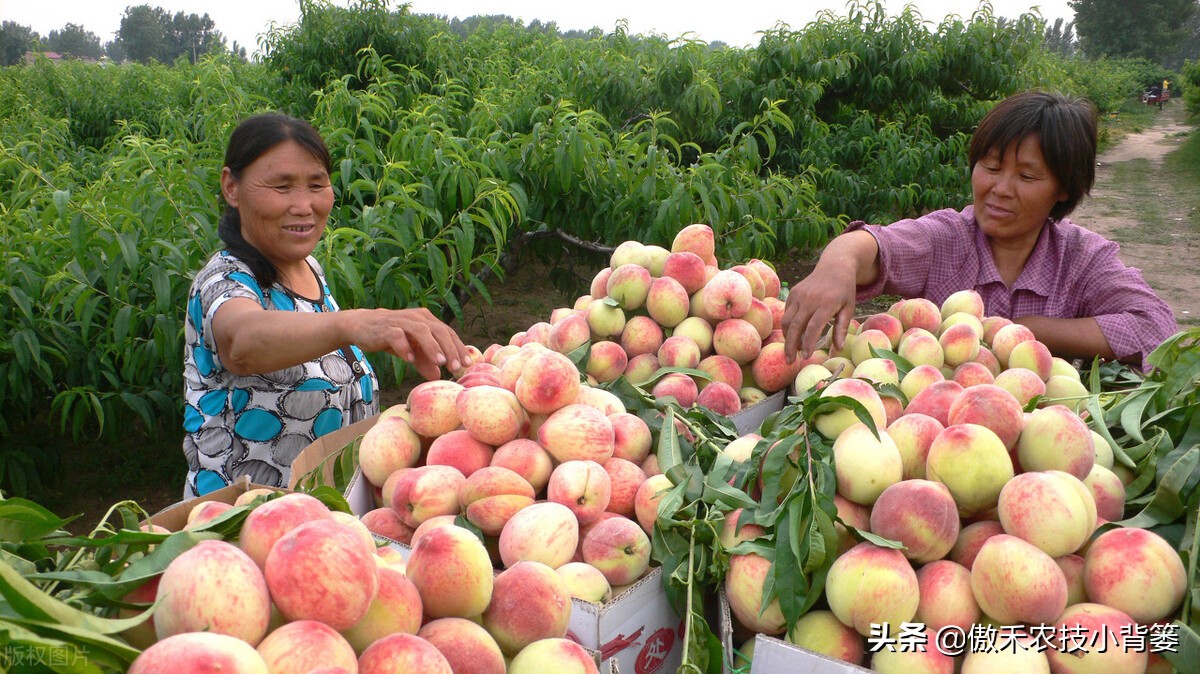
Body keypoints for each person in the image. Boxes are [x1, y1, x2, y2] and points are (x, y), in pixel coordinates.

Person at [182, 113, 472, 497]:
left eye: (317, 184)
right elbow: (242, 341)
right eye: (282, 187)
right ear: (232, 188)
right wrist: (350, 324)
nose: (304, 205)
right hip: (248, 525)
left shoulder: (308, 269)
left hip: (323, 523)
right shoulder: (223, 281)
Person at [782, 91, 1178, 373]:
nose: (1000, 188)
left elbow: (1156, 329)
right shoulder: (948, 239)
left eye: (1025, 175)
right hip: (935, 429)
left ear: (1063, 188)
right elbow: (879, 244)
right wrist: (838, 262)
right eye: (990, 167)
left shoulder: (1080, 258)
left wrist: (1024, 331)